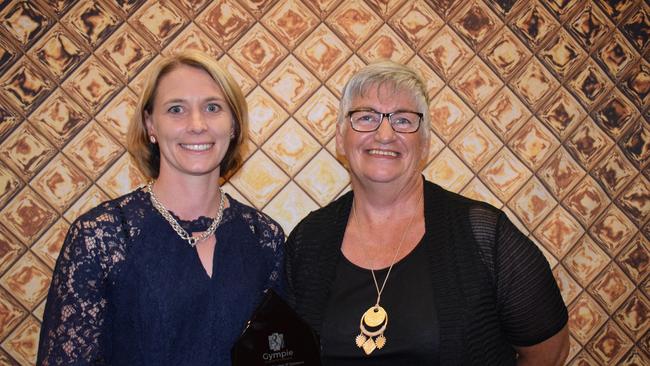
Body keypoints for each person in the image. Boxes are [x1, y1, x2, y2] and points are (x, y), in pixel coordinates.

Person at [285, 60, 569, 365]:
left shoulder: (483, 235)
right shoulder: (309, 239)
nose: (384, 134)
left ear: (425, 142)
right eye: (366, 117)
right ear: (341, 137)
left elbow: (550, 351)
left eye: (403, 121)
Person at [37, 51, 285, 365]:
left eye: (212, 107)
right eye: (176, 109)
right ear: (150, 124)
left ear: (233, 124)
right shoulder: (102, 236)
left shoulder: (264, 237)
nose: (197, 125)